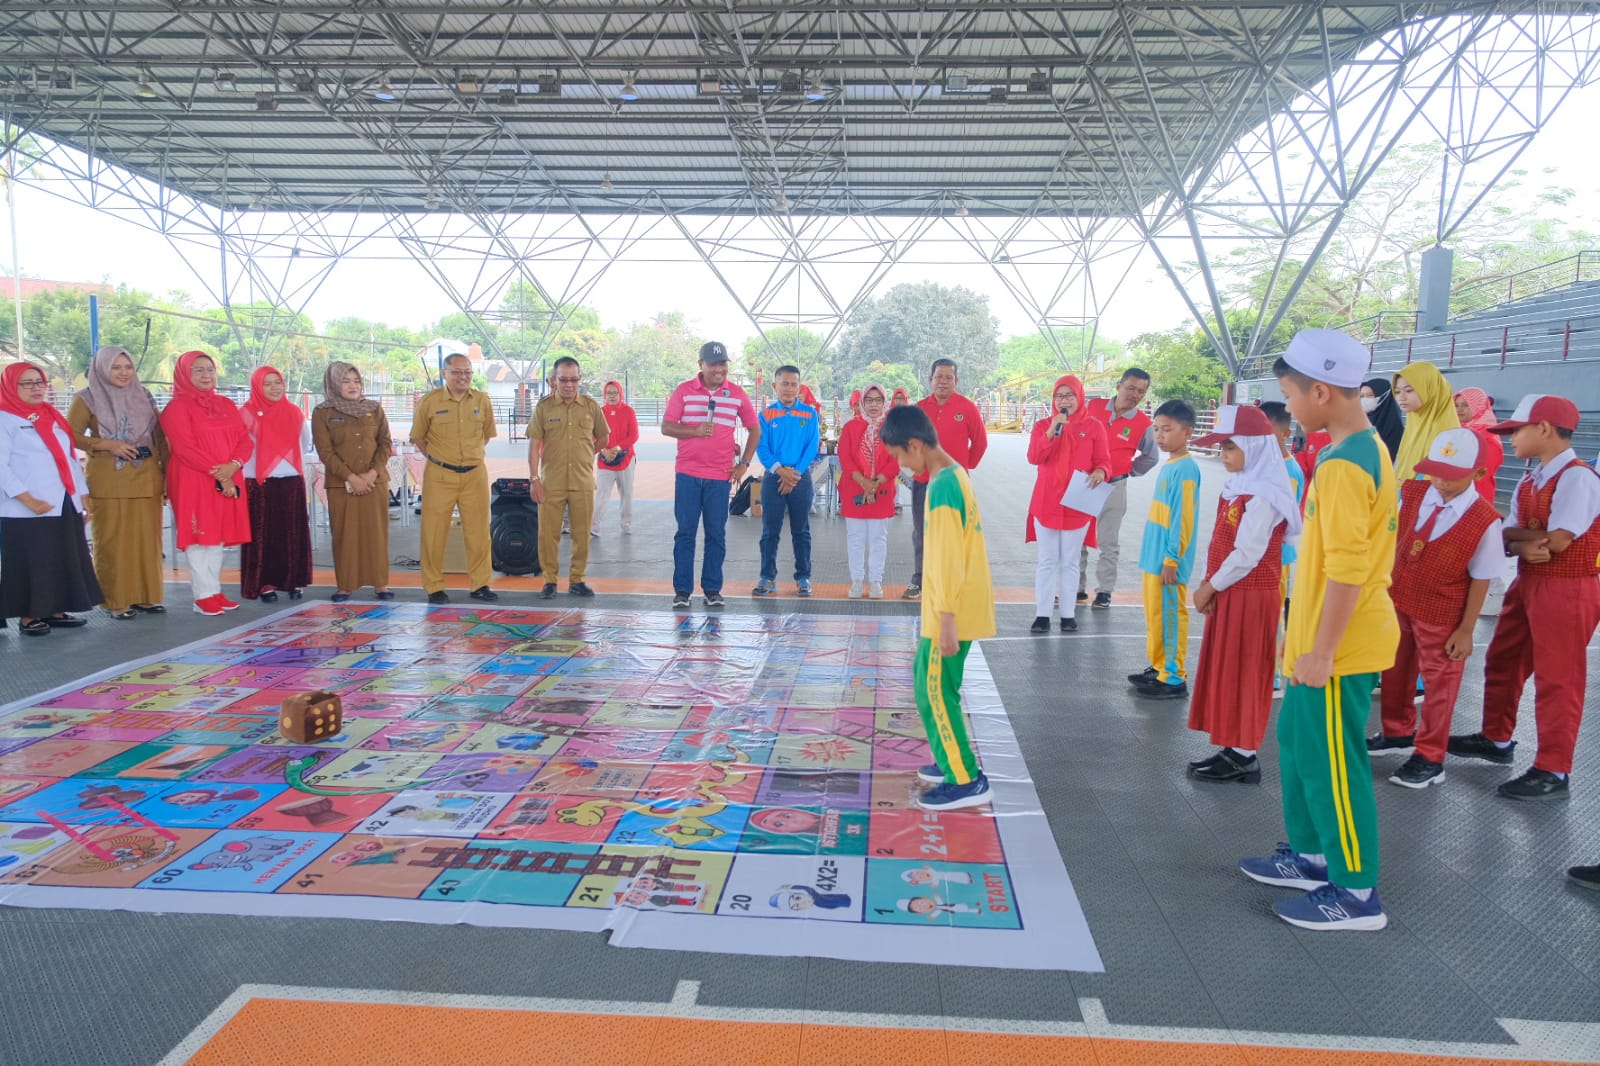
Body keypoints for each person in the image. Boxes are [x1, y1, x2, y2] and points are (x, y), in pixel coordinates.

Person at [1239, 328, 1397, 932]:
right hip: (1314, 639)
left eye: (1288, 394)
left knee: (1335, 763)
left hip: (1340, 645)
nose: (1287, 407)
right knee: (1304, 750)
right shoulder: (1347, 453)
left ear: (1321, 392)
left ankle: (1356, 892)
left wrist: (1323, 651)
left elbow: (1350, 571)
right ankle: (1310, 857)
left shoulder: (1346, 465)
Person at [1449, 395, 1600, 801]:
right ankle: (1495, 738)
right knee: (1504, 657)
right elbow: (1510, 534)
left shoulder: (1578, 477)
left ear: (1545, 429)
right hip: (1530, 580)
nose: (1511, 438)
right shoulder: (1534, 478)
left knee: (1558, 678)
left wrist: (1527, 541)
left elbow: (1562, 541)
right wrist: (1526, 544)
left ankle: (1553, 769)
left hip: (1567, 587)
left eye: (1517, 430)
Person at [1367, 429, 1502, 790]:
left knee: (1440, 685)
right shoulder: (1413, 493)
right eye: (1435, 471)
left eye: (1451, 474)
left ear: (1477, 474)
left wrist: (1466, 629)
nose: (1440, 480)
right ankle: (1397, 731)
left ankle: (1430, 755)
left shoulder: (1484, 519)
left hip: (1443, 615)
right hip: (1400, 601)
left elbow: (1482, 578)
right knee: (1395, 671)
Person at [880, 404, 996, 812]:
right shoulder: (954, 474)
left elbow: (947, 556)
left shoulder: (943, 485)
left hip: (950, 609)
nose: (902, 466)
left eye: (899, 456)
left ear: (915, 445)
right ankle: (950, 761)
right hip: (954, 605)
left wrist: (945, 617)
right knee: (929, 684)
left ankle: (965, 779)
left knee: (935, 692)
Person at [1184, 405, 1302, 783]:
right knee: (1229, 669)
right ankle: (1234, 746)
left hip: (1249, 593)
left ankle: (1246, 754)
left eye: (1231, 447)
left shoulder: (1265, 493)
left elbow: (1249, 553)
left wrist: (1210, 585)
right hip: (1230, 587)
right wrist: (1209, 580)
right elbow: (1220, 538)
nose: (1225, 455)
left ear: (1253, 446)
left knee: (1247, 670)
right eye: (1222, 448)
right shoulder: (1239, 486)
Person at [0, 363, 102, 636]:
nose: (36, 388)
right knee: (34, 560)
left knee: (61, 556)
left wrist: (82, 497)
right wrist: (28, 499)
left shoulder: (52, 416)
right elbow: (1, 467)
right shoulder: (4, 418)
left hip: (62, 500)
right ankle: (29, 615)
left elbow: (68, 459)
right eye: (27, 383)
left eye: (39, 382)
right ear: (11, 385)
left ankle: (55, 608)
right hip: (24, 506)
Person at [68, 345, 167, 619]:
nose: (123, 372)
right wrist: (104, 443)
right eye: (116, 367)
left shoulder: (144, 395)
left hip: (147, 478)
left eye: (128, 367)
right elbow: (69, 435)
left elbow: (161, 438)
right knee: (112, 542)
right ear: (101, 368)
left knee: (148, 542)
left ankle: (147, 597)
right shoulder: (86, 398)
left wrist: (168, 475)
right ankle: (116, 600)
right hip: (109, 480)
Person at [661, 341, 761, 610]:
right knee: (685, 533)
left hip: (720, 477)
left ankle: (712, 589)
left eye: (723, 363)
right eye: (714, 363)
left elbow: (755, 430)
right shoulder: (684, 391)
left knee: (716, 533)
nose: (720, 369)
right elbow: (667, 427)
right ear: (701, 365)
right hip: (688, 475)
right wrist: (694, 431)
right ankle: (682, 590)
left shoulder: (737, 394)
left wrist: (744, 464)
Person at [160, 350, 252, 616]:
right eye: (198, 370)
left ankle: (214, 590)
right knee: (199, 537)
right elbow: (184, 448)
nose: (206, 375)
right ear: (184, 374)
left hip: (228, 476)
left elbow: (245, 441)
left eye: (210, 369)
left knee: (217, 535)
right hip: (194, 478)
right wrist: (222, 474)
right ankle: (201, 595)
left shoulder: (225, 404)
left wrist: (234, 465)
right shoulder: (176, 408)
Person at [410, 353, 498, 605]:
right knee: (433, 532)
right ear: (443, 373)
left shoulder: (482, 400)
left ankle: (480, 583)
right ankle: (433, 586)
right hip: (440, 475)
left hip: (474, 474)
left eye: (467, 372)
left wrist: (467, 456)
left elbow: (487, 435)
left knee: (479, 532)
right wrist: (441, 459)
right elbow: (418, 437)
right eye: (457, 372)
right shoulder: (429, 402)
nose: (463, 377)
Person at [1025, 375, 1110, 634]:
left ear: (1080, 397)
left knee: (1070, 561)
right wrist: (1052, 431)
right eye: (1059, 396)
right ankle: (1042, 614)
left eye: (1069, 395)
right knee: (1047, 560)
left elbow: (1104, 461)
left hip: (1077, 502)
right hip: (1047, 501)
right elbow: (1034, 457)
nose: (1064, 401)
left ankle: (1068, 614)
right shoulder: (1043, 426)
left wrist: (1100, 473)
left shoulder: (1094, 426)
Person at [1129, 400, 1200, 700]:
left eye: (1167, 430)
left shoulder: (1186, 468)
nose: (1159, 436)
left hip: (1167, 561)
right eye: (1156, 429)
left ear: (1187, 433)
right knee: (1156, 615)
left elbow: (1182, 518)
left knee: (1170, 615)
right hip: (1154, 559)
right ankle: (1160, 667)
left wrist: (1172, 558)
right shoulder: (1170, 465)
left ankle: (1173, 676)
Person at [526, 356, 608, 599]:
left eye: (574, 379)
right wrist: (534, 479)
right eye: (563, 379)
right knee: (547, 534)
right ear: (554, 380)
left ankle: (577, 580)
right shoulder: (544, 408)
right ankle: (549, 580)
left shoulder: (591, 407)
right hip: (551, 480)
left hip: (582, 481)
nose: (569, 385)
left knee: (581, 534)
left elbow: (603, 438)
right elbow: (533, 446)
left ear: (579, 379)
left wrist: (586, 453)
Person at [906, 359, 987, 601]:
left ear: (956, 381)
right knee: (922, 531)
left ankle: (954, 582)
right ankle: (920, 580)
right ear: (930, 379)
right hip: (924, 481)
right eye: (938, 377)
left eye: (948, 377)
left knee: (954, 534)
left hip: (954, 485)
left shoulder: (967, 408)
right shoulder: (919, 409)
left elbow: (980, 442)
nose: (943, 381)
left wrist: (964, 467)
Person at [311, 361, 393, 602]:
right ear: (334, 383)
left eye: (356, 381)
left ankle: (381, 584)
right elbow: (325, 452)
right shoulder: (323, 412)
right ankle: (345, 586)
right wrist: (351, 477)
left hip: (374, 483)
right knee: (345, 535)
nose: (352, 386)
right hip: (341, 485)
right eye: (345, 381)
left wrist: (370, 475)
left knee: (376, 534)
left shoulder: (374, 408)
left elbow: (385, 444)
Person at [1079, 368, 1156, 609]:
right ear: (1118, 385)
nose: (1135, 394)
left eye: (1141, 391)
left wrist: (1127, 470)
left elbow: (1151, 457)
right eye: (1131, 388)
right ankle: (1076, 588)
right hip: (1083, 483)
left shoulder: (1143, 423)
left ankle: (1104, 592)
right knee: (1077, 538)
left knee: (1108, 541)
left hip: (1114, 487)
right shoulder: (1092, 408)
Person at [239, 366, 313, 604]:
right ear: (257, 387)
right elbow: (240, 447)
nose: (274, 388)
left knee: (292, 533)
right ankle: (263, 584)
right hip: (259, 482)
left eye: (277, 382)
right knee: (263, 535)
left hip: (291, 479)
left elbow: (306, 441)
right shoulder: (246, 414)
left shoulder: (294, 412)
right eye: (267, 384)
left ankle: (293, 580)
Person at [753, 365, 820, 597]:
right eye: (785, 383)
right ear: (775, 386)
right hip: (774, 479)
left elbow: (812, 447)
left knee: (801, 530)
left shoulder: (810, 414)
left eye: (794, 384)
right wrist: (781, 471)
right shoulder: (765, 415)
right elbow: (761, 448)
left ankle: (803, 578)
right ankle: (767, 577)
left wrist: (795, 473)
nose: (789, 388)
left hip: (800, 479)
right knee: (770, 530)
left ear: (799, 387)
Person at [838, 383, 898, 598]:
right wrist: (864, 482)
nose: (873, 404)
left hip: (880, 492)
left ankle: (875, 582)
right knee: (855, 537)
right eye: (869, 400)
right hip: (855, 490)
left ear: (884, 402)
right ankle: (856, 580)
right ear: (862, 403)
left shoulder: (892, 429)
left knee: (878, 538)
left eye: (878, 400)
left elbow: (896, 460)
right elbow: (845, 459)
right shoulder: (850, 428)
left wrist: (875, 482)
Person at [1390, 362, 1460, 482]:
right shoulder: (1413, 423)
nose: (1401, 397)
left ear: (1430, 389)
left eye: (1408, 390)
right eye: (1397, 391)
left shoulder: (1447, 434)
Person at [593, 380, 639, 536]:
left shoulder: (629, 411)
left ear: (621, 393)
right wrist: (604, 449)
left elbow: (633, 435)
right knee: (601, 493)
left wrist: (617, 448)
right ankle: (595, 524)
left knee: (626, 492)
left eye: (615, 392)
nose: (612, 396)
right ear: (604, 395)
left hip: (625, 459)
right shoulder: (599, 412)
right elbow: (593, 435)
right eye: (609, 393)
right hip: (605, 460)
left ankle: (626, 523)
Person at [1453, 387, 1504, 503]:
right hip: (1455, 494)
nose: (1459, 409)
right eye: (1456, 405)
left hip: (1477, 496)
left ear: (1479, 406)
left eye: (1465, 405)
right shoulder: (1457, 430)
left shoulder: (1488, 435)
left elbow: (1482, 472)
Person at [1359, 378, 1405, 461]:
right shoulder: (1364, 421)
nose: (1364, 399)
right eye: (1362, 396)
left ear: (1384, 397)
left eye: (1370, 395)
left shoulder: (1394, 427)